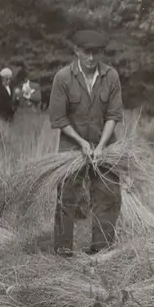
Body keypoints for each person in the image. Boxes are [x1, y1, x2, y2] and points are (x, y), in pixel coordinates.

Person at [47, 28, 125, 258]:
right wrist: (81, 142)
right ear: (77, 51)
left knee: (108, 193)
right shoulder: (63, 78)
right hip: (72, 145)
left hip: (105, 145)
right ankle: (63, 247)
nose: (91, 58)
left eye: (96, 52)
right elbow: (59, 118)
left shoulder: (111, 76)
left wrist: (100, 147)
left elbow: (113, 115)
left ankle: (102, 246)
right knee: (66, 196)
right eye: (86, 52)